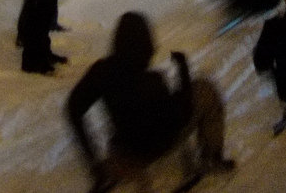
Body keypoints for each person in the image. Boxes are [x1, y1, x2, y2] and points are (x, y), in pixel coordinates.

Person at [67, 12, 232, 191]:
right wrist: (183, 72)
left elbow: (73, 108)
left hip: (124, 148)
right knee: (204, 88)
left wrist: (93, 161)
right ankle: (212, 157)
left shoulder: (101, 72)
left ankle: (123, 168)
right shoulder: (152, 82)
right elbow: (181, 116)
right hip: (157, 147)